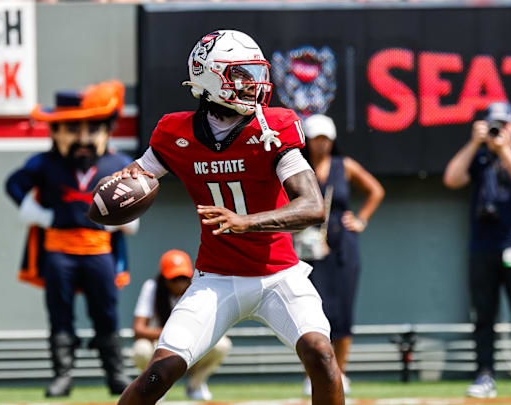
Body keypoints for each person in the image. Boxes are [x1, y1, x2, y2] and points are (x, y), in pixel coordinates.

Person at [112, 30, 344, 405]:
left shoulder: (272, 127)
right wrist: (118, 183)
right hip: (216, 278)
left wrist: (246, 222)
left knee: (320, 353)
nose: (254, 83)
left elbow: (313, 206)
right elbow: (138, 175)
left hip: (279, 275)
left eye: (254, 72)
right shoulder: (176, 132)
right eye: (240, 74)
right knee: (158, 373)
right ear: (208, 79)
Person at [5, 81, 135, 397]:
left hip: (98, 250)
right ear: (56, 132)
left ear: (106, 130)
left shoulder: (117, 164)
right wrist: (37, 213)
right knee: (59, 313)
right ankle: (63, 375)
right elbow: (14, 184)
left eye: (92, 128)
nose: (83, 138)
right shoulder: (46, 163)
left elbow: (137, 189)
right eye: (73, 129)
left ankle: (115, 374)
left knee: (106, 311)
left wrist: (126, 218)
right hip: (58, 250)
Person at [443, 101, 511, 397]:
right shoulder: (480, 155)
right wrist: (475, 143)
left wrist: (503, 150)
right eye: (493, 124)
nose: (499, 129)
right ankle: (484, 375)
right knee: (484, 315)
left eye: (504, 124)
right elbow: (452, 179)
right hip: (483, 247)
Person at [300, 114, 384, 396]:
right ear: (307, 140)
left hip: (342, 244)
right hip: (307, 245)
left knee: (343, 309)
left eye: (325, 138)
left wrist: (361, 219)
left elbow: (375, 190)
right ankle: (312, 373)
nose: (321, 144)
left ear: (333, 140)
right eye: (316, 138)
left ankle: (341, 372)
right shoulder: (297, 167)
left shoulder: (344, 166)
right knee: (310, 310)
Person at [132, 249, 231, 400]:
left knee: (222, 344)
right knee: (141, 349)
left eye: (184, 278)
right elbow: (138, 329)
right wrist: (170, 334)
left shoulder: (198, 289)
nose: (180, 283)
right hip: (160, 346)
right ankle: (156, 387)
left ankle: (195, 385)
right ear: (164, 278)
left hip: (191, 346)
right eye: (174, 278)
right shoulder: (152, 287)